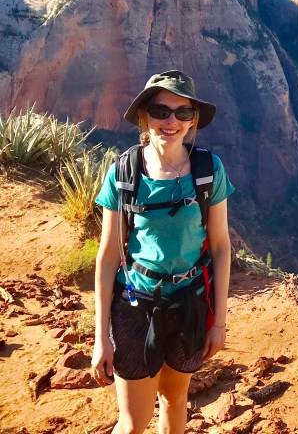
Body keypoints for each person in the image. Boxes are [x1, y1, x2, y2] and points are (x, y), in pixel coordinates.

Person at [91, 70, 234, 434]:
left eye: (182, 113)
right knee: (134, 422)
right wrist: (101, 337)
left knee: (174, 402)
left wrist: (218, 323)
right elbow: (108, 256)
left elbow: (220, 247)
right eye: (160, 110)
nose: (171, 121)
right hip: (135, 305)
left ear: (192, 121)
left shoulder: (207, 170)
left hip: (189, 304)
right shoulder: (124, 173)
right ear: (143, 116)